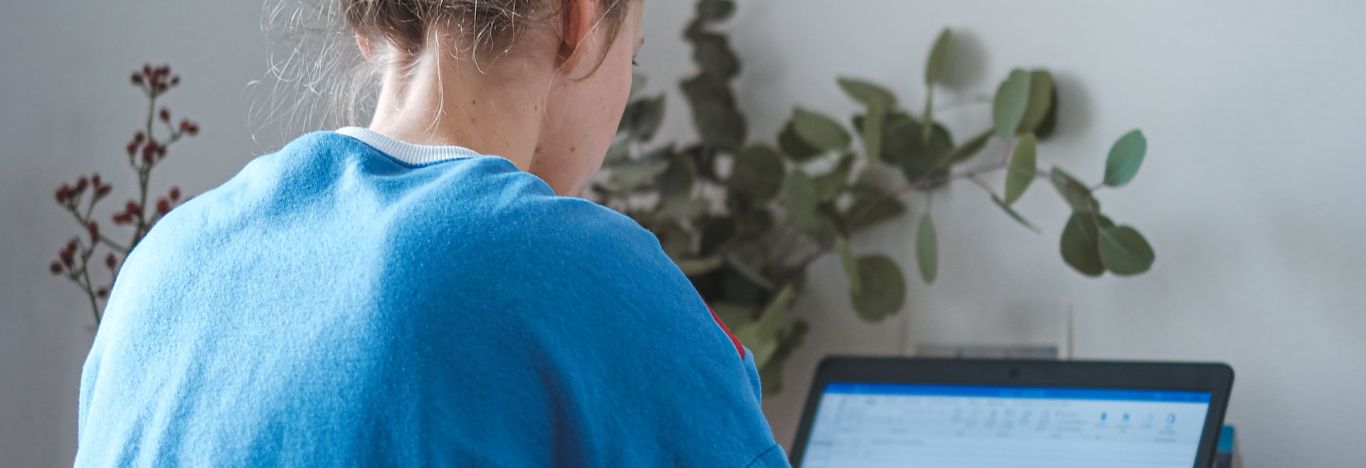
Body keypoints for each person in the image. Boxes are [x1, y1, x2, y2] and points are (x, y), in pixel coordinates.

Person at [75, 0, 788, 466]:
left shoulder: (163, 264)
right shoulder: (587, 275)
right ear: (578, 21)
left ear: (368, 27)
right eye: (630, 56)